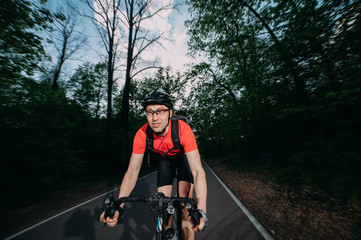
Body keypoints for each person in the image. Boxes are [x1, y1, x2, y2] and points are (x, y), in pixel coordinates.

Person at [100, 90, 208, 239]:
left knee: (185, 207)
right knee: (162, 206)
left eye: (160, 111)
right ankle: (168, 234)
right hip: (165, 162)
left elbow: (198, 171)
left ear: (170, 113)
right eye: (150, 112)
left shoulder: (183, 129)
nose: (154, 117)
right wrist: (119, 205)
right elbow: (132, 171)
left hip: (183, 161)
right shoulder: (142, 134)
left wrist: (201, 210)